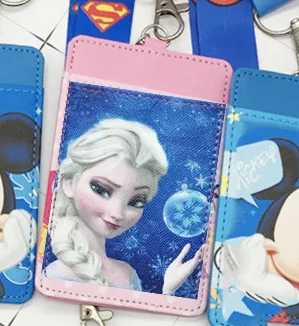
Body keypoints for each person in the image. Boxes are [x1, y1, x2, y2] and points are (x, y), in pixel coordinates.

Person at [44, 119, 202, 293]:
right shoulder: (54, 275)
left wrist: (168, 290)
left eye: (136, 202)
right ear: (69, 183)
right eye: (102, 190)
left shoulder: (127, 273)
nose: (117, 213)